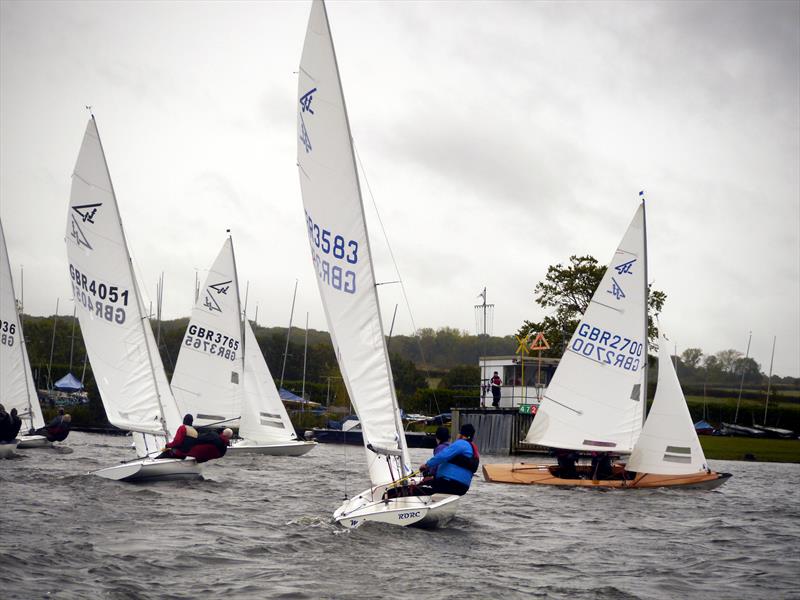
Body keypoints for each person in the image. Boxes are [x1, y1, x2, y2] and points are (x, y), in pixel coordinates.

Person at [417, 423, 479, 496]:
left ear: (461, 434)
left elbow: (442, 456)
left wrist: (426, 465)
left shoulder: (461, 443)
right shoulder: (472, 448)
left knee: (420, 488)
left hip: (450, 482)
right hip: (462, 486)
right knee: (431, 484)